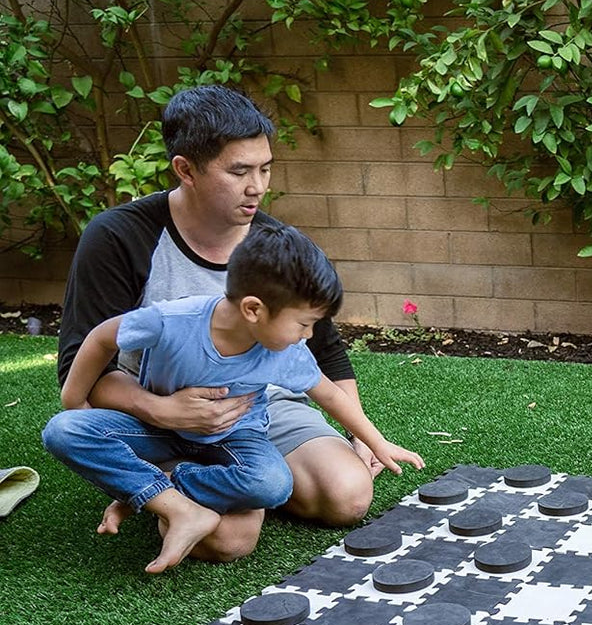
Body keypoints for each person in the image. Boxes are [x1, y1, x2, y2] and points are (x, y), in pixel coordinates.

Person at [56, 84, 382, 565]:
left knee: (347, 497)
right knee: (228, 542)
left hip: (257, 409)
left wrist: (360, 436)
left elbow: (324, 353)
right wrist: (163, 411)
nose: (258, 186)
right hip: (157, 408)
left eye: (265, 168)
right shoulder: (118, 236)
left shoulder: (277, 243)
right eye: (239, 171)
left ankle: (224, 482)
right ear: (185, 170)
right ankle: (172, 484)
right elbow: (81, 366)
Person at [44, 225, 425, 574]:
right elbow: (101, 338)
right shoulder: (171, 320)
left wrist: (376, 441)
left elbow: (327, 392)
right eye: (304, 323)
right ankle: (176, 507)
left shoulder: (285, 351)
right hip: (157, 430)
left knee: (272, 484)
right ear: (254, 309)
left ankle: (156, 489)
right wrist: (74, 399)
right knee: (63, 431)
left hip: (235, 440)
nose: (308, 336)